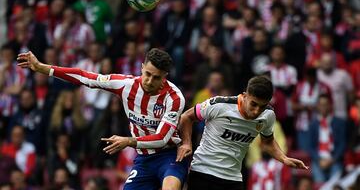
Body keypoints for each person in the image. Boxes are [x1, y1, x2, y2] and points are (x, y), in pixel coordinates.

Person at [17, 49, 187, 190]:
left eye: (156, 77)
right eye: (147, 74)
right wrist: (42, 68)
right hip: (144, 159)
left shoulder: (174, 98)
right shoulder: (125, 85)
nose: (149, 81)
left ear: (165, 76)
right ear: (142, 68)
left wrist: (128, 141)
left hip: (170, 155)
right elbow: (85, 77)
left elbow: (162, 138)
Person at [176, 75, 308, 190]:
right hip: (203, 172)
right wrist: (187, 143)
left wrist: (284, 158)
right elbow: (186, 117)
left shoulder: (268, 115)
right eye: (254, 104)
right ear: (245, 96)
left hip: (233, 178)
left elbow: (267, 142)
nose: (257, 111)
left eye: (262, 107)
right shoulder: (219, 105)